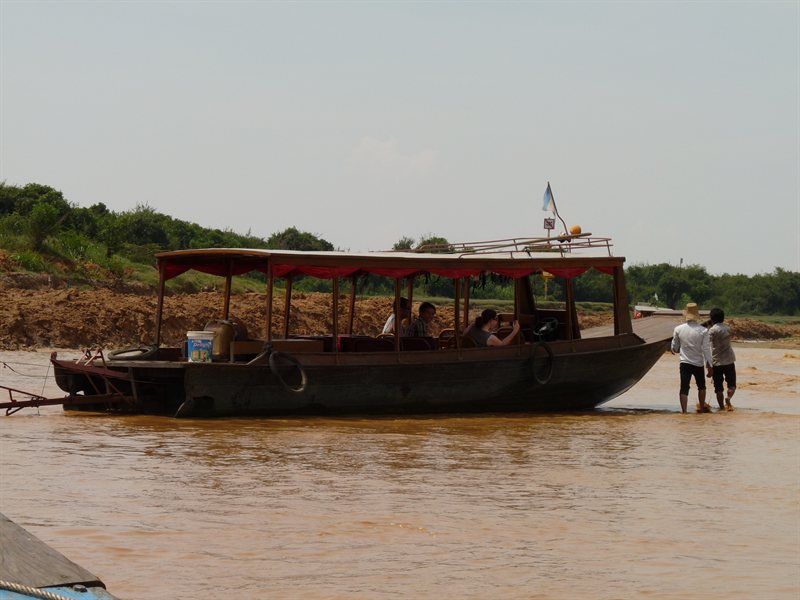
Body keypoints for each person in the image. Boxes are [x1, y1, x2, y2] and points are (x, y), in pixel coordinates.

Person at [671, 302, 713, 414]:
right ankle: (702, 410)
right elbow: (706, 349)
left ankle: (684, 412)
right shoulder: (703, 331)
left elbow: (675, 348)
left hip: (684, 363)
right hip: (698, 363)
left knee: (684, 388)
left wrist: (678, 349)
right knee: (701, 387)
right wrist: (709, 365)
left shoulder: (678, 329)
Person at [707, 307, 736, 411]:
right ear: (723, 318)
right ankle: (728, 398)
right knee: (732, 385)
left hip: (716, 361)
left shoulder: (712, 330)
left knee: (718, 387)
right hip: (729, 359)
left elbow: (707, 342)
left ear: (712, 318)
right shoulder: (728, 328)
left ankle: (721, 407)